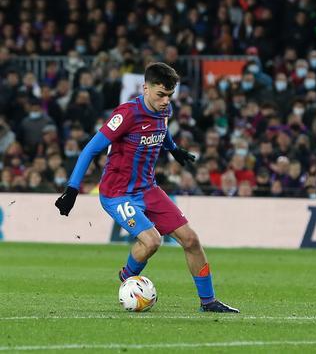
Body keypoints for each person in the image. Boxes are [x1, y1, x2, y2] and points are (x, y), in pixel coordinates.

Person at [55, 62, 239, 313]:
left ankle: (208, 302)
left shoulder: (164, 109)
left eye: (169, 95)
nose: (166, 101)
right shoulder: (127, 114)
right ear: (145, 88)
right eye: (161, 94)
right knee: (152, 241)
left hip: (148, 189)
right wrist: (72, 189)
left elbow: (161, 131)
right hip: (118, 194)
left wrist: (174, 150)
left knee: (191, 240)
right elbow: (91, 148)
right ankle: (127, 277)